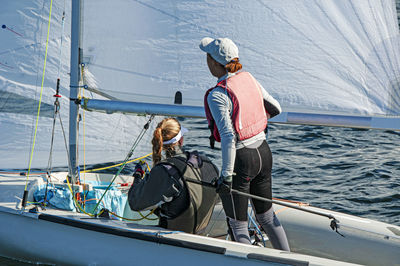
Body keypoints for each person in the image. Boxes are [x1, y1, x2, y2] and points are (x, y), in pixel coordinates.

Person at [199, 37, 290, 251]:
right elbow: (276, 108)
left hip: (242, 160)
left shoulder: (218, 95)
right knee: (267, 217)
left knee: (238, 228)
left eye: (207, 57)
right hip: (264, 153)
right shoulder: (249, 79)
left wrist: (226, 176)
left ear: (213, 62)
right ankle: (289, 260)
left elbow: (229, 137)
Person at [128, 118, 219, 234]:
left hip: (172, 240)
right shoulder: (207, 163)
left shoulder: (164, 170)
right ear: (181, 140)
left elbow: (135, 203)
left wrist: (138, 176)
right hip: (200, 234)